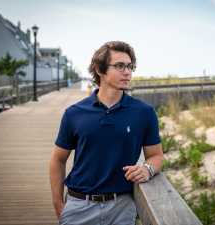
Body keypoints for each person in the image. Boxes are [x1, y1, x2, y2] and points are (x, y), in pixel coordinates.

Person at [50, 41, 164, 225]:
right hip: (79, 206)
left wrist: (147, 169)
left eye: (130, 66)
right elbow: (58, 159)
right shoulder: (74, 113)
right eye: (119, 66)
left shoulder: (144, 112)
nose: (127, 72)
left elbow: (156, 156)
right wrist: (57, 204)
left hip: (122, 207)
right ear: (99, 69)